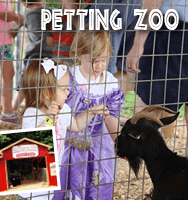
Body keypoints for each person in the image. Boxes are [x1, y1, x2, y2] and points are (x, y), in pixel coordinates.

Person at [19, 58, 109, 199]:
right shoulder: (32, 114)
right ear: (46, 93)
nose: (68, 92)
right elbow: (33, 141)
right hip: (32, 174)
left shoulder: (64, 109)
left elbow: (77, 125)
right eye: (63, 89)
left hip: (51, 173)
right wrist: (50, 118)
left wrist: (91, 112)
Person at [52, 27, 125, 200]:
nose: (99, 66)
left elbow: (112, 118)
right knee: (67, 180)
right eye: (93, 61)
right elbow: (55, 109)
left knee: (100, 182)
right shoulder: (67, 77)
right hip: (69, 139)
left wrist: (119, 143)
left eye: (104, 59)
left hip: (99, 141)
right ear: (79, 55)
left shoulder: (109, 83)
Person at [124, 0, 188, 133]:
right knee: (152, 103)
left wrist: (138, 45)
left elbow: (150, 5)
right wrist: (138, 44)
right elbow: (150, 5)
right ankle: (139, 148)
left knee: (152, 104)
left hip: (173, 34)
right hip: (170, 32)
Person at [12, 0, 54, 112]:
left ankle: (11, 111)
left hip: (33, 55)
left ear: (25, 4)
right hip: (51, 56)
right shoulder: (52, 12)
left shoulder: (27, 14)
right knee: (49, 85)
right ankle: (49, 111)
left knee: (24, 85)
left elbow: (13, 29)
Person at [0, 0, 23, 125]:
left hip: (5, 41)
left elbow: (7, 13)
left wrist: (15, 18)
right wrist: (4, 15)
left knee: (9, 74)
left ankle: (7, 112)